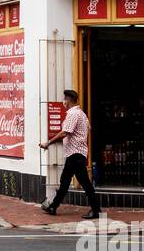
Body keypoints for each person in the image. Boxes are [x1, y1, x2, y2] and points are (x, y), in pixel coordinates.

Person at [39, 89, 101, 219]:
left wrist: (48, 143)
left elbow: (65, 132)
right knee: (66, 181)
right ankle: (53, 206)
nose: (63, 102)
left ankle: (95, 210)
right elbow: (87, 129)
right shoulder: (82, 114)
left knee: (82, 182)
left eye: (64, 100)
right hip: (77, 153)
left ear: (68, 101)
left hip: (75, 154)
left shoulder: (73, 114)